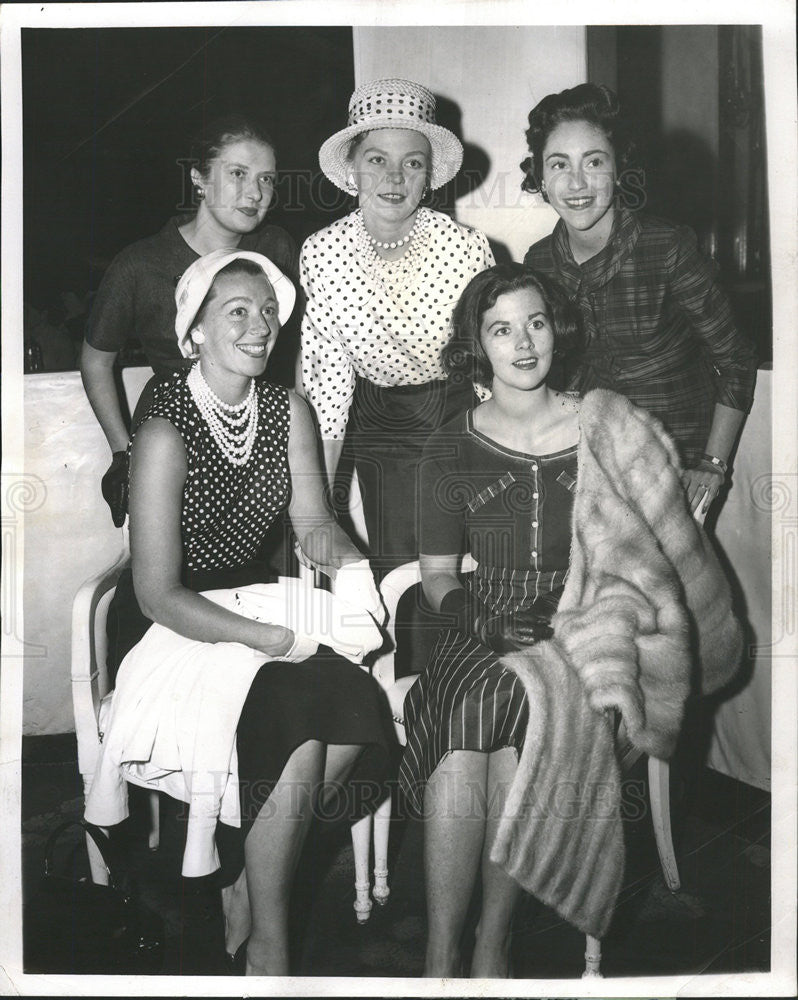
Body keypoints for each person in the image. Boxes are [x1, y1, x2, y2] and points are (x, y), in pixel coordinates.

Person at [84, 249, 392, 977]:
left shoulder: (289, 411)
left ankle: (249, 886)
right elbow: (158, 591)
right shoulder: (161, 430)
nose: (259, 329)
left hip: (257, 593)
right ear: (193, 333)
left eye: (267, 313)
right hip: (174, 618)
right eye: (237, 313)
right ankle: (269, 950)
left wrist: (351, 569)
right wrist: (270, 639)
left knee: (353, 702)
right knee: (299, 708)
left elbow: (314, 520)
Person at [397, 263, 582, 978]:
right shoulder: (452, 443)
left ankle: (490, 940)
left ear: (555, 329)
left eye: (535, 323)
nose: (524, 343)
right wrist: (483, 619)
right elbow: (437, 576)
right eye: (502, 329)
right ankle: (452, 947)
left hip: (579, 621)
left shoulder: (599, 424)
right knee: (480, 698)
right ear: (480, 344)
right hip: (481, 619)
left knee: (510, 699)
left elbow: (635, 557)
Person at [521, 83, 758, 516]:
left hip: (678, 467)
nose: (576, 183)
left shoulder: (667, 246)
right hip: (586, 464)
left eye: (594, 161)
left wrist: (713, 464)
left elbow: (736, 359)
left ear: (618, 169)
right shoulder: (538, 261)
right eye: (558, 164)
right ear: (540, 176)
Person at [300, 77, 495, 576]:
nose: (394, 177)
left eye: (413, 162)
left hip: (460, 414)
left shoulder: (466, 248)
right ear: (352, 169)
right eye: (376, 159)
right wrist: (316, 512)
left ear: (429, 177)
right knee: (402, 569)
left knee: (477, 559)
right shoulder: (321, 254)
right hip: (380, 422)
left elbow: (487, 368)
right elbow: (329, 387)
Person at [80, 113, 297, 527]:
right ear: (198, 178)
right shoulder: (141, 263)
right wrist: (122, 451)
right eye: (238, 173)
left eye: (267, 179)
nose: (255, 193)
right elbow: (95, 360)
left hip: (255, 429)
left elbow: (300, 347)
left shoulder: (275, 247)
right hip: (175, 436)